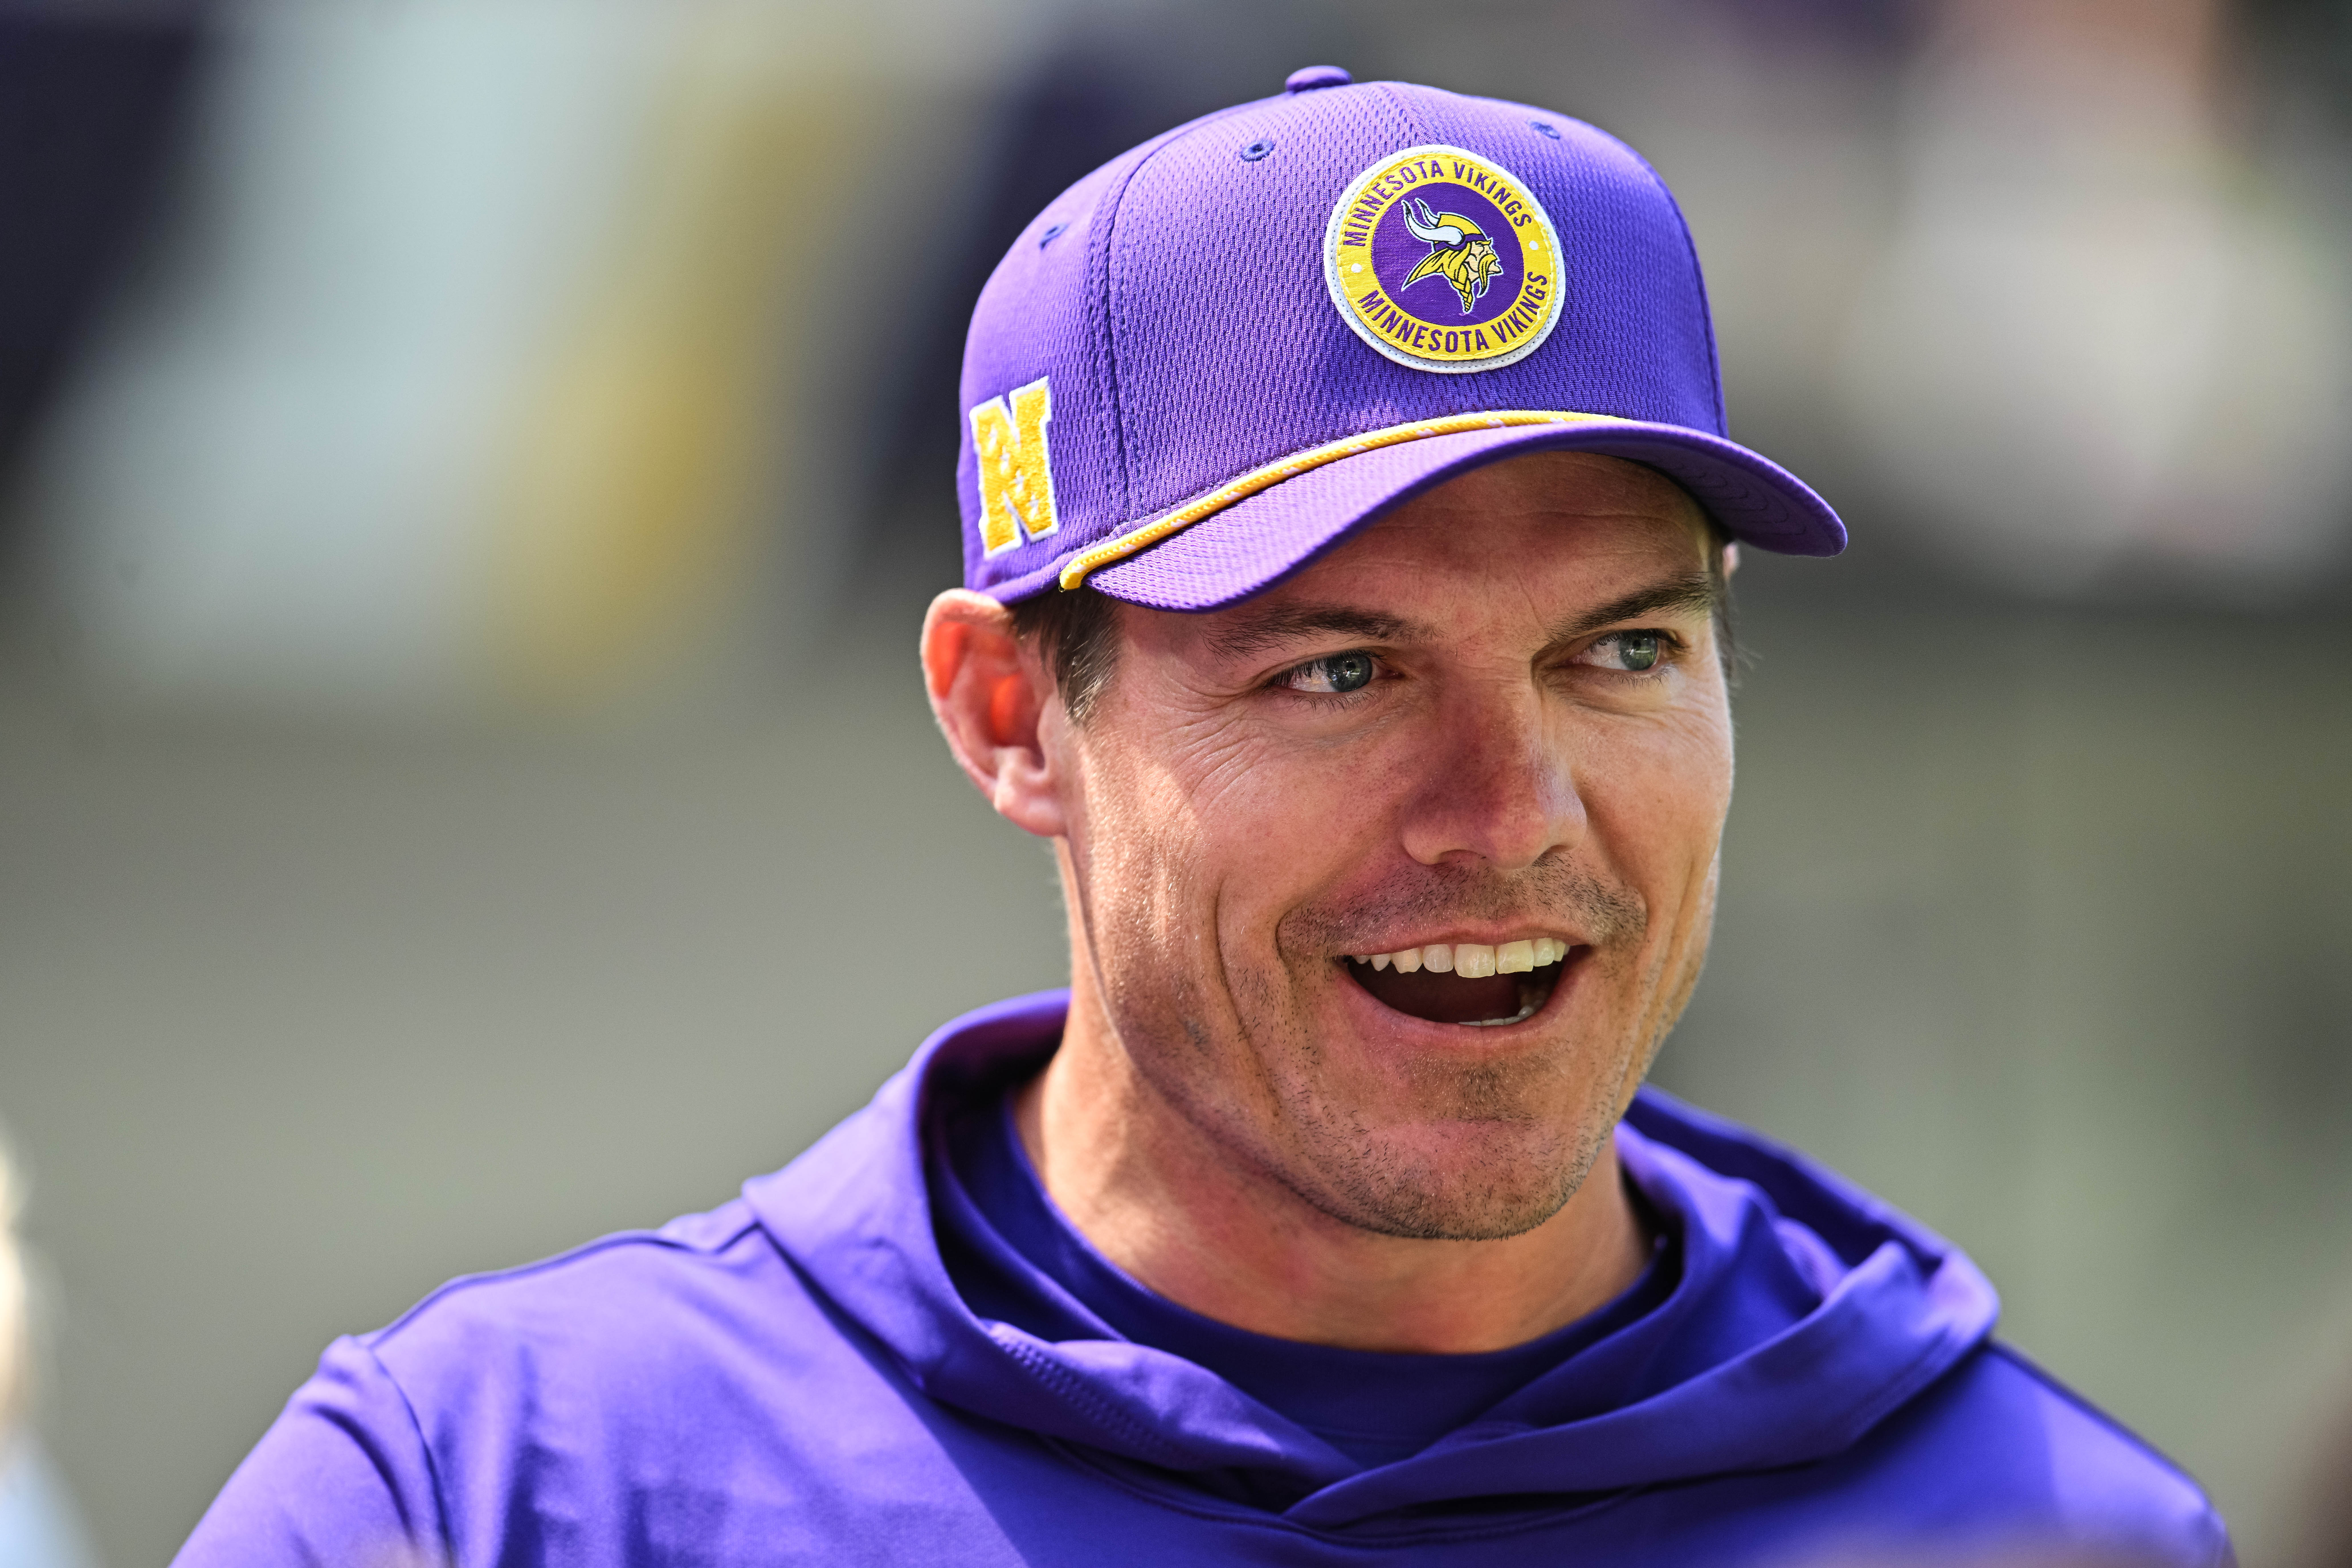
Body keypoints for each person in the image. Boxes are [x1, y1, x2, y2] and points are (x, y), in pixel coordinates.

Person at [174, 69, 2230, 1566]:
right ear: (1008, 714)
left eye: (1618, 655)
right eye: (1339, 672)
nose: (1510, 817)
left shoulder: (2045, 1528)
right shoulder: (505, 1493)